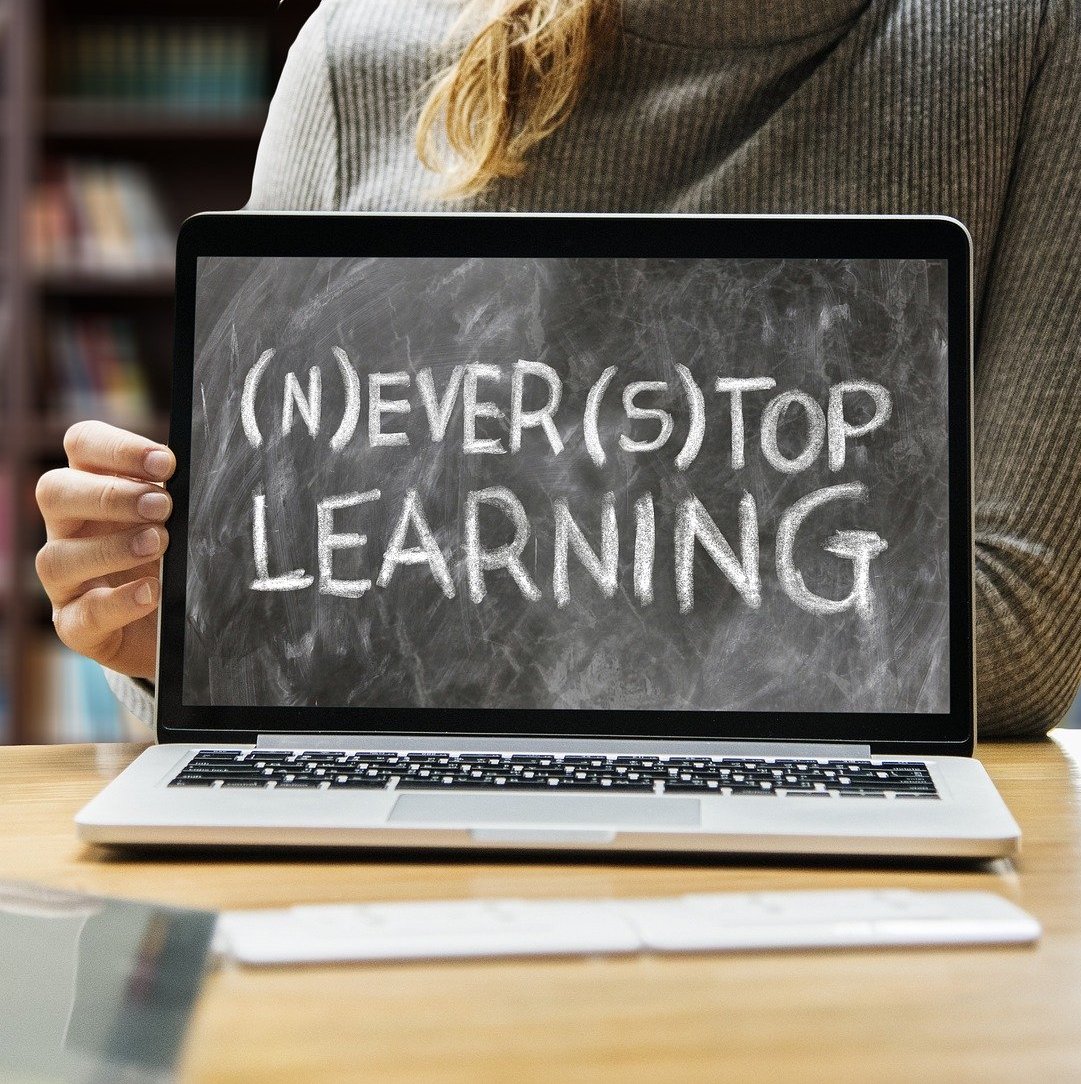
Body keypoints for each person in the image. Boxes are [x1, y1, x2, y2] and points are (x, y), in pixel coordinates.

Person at [34, 0, 1081, 737]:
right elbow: (259, 618)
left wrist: (412, 628)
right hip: (395, 864)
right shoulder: (356, 54)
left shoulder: (1025, 35)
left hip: (812, 881)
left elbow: (1017, 620)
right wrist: (164, 631)